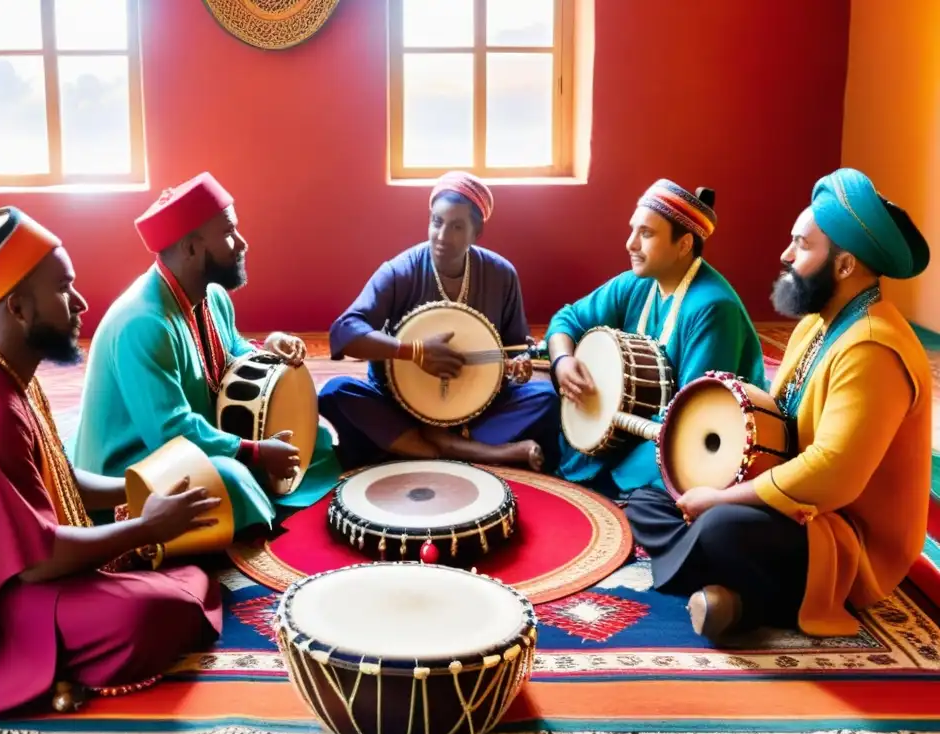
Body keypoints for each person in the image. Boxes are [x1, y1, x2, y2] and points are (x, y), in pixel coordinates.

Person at [0, 207, 222, 718]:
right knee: (154, 612)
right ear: (17, 308)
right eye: (63, 288)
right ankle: (36, 665)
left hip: (19, 565)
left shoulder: (7, 369)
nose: (80, 302)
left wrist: (137, 494)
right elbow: (37, 564)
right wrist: (146, 528)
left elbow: (57, 476)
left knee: (185, 572)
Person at [625, 168, 932, 642]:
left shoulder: (873, 348)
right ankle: (733, 593)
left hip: (841, 534)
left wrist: (720, 497)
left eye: (802, 246)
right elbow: (779, 414)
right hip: (791, 503)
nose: (785, 255)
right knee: (652, 493)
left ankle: (750, 603)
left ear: (845, 265)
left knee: (721, 524)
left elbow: (832, 474)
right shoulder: (820, 322)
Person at [72, 172, 340, 538]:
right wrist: (256, 452)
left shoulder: (212, 296)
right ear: (191, 248)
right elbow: (171, 433)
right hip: (131, 468)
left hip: (201, 436)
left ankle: (254, 494)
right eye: (229, 232)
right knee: (232, 477)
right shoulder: (143, 324)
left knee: (316, 438)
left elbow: (229, 357)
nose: (242, 243)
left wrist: (267, 349)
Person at [318, 171, 560, 472]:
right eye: (437, 222)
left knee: (547, 397)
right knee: (336, 392)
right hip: (400, 403)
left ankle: (414, 445)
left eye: (457, 227)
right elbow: (345, 331)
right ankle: (464, 451)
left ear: (476, 233)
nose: (442, 236)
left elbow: (513, 349)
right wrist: (414, 351)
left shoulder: (502, 275)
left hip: (472, 407)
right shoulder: (401, 270)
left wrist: (518, 367)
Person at [545, 179, 766, 499]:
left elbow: (695, 417)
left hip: (691, 436)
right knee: (548, 404)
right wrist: (563, 362)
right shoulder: (637, 283)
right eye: (632, 230)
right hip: (635, 424)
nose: (630, 244)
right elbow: (567, 319)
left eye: (646, 233)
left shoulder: (713, 308)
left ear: (684, 244)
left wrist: (612, 422)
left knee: (644, 487)